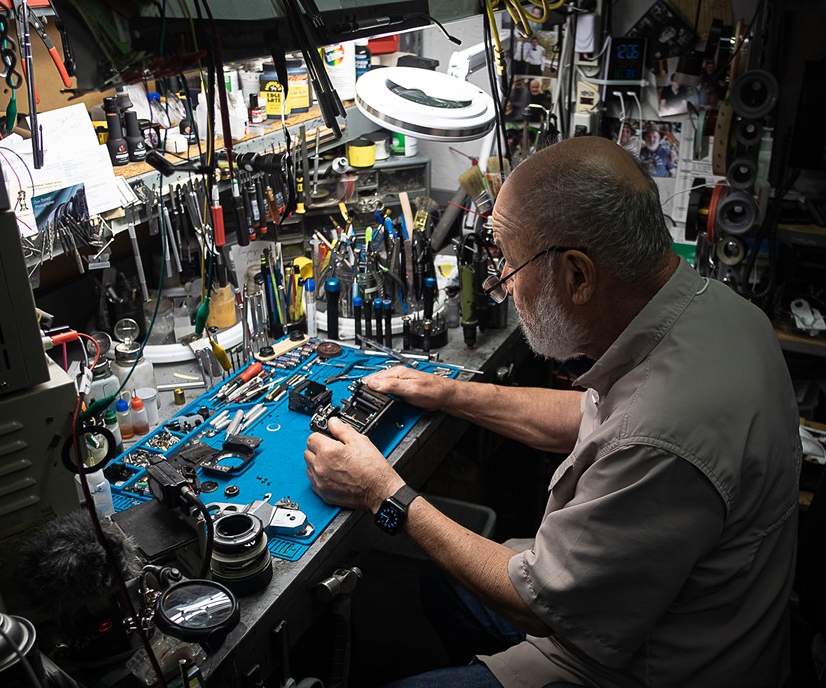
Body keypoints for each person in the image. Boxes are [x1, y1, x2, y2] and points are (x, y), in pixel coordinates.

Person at [304, 136, 800, 687]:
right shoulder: (719, 314)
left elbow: (535, 602)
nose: (502, 286)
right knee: (443, 583)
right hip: (703, 618)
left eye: (511, 267)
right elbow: (595, 421)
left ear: (578, 276)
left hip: (649, 669)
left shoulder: (664, 430)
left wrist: (381, 491)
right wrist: (450, 392)